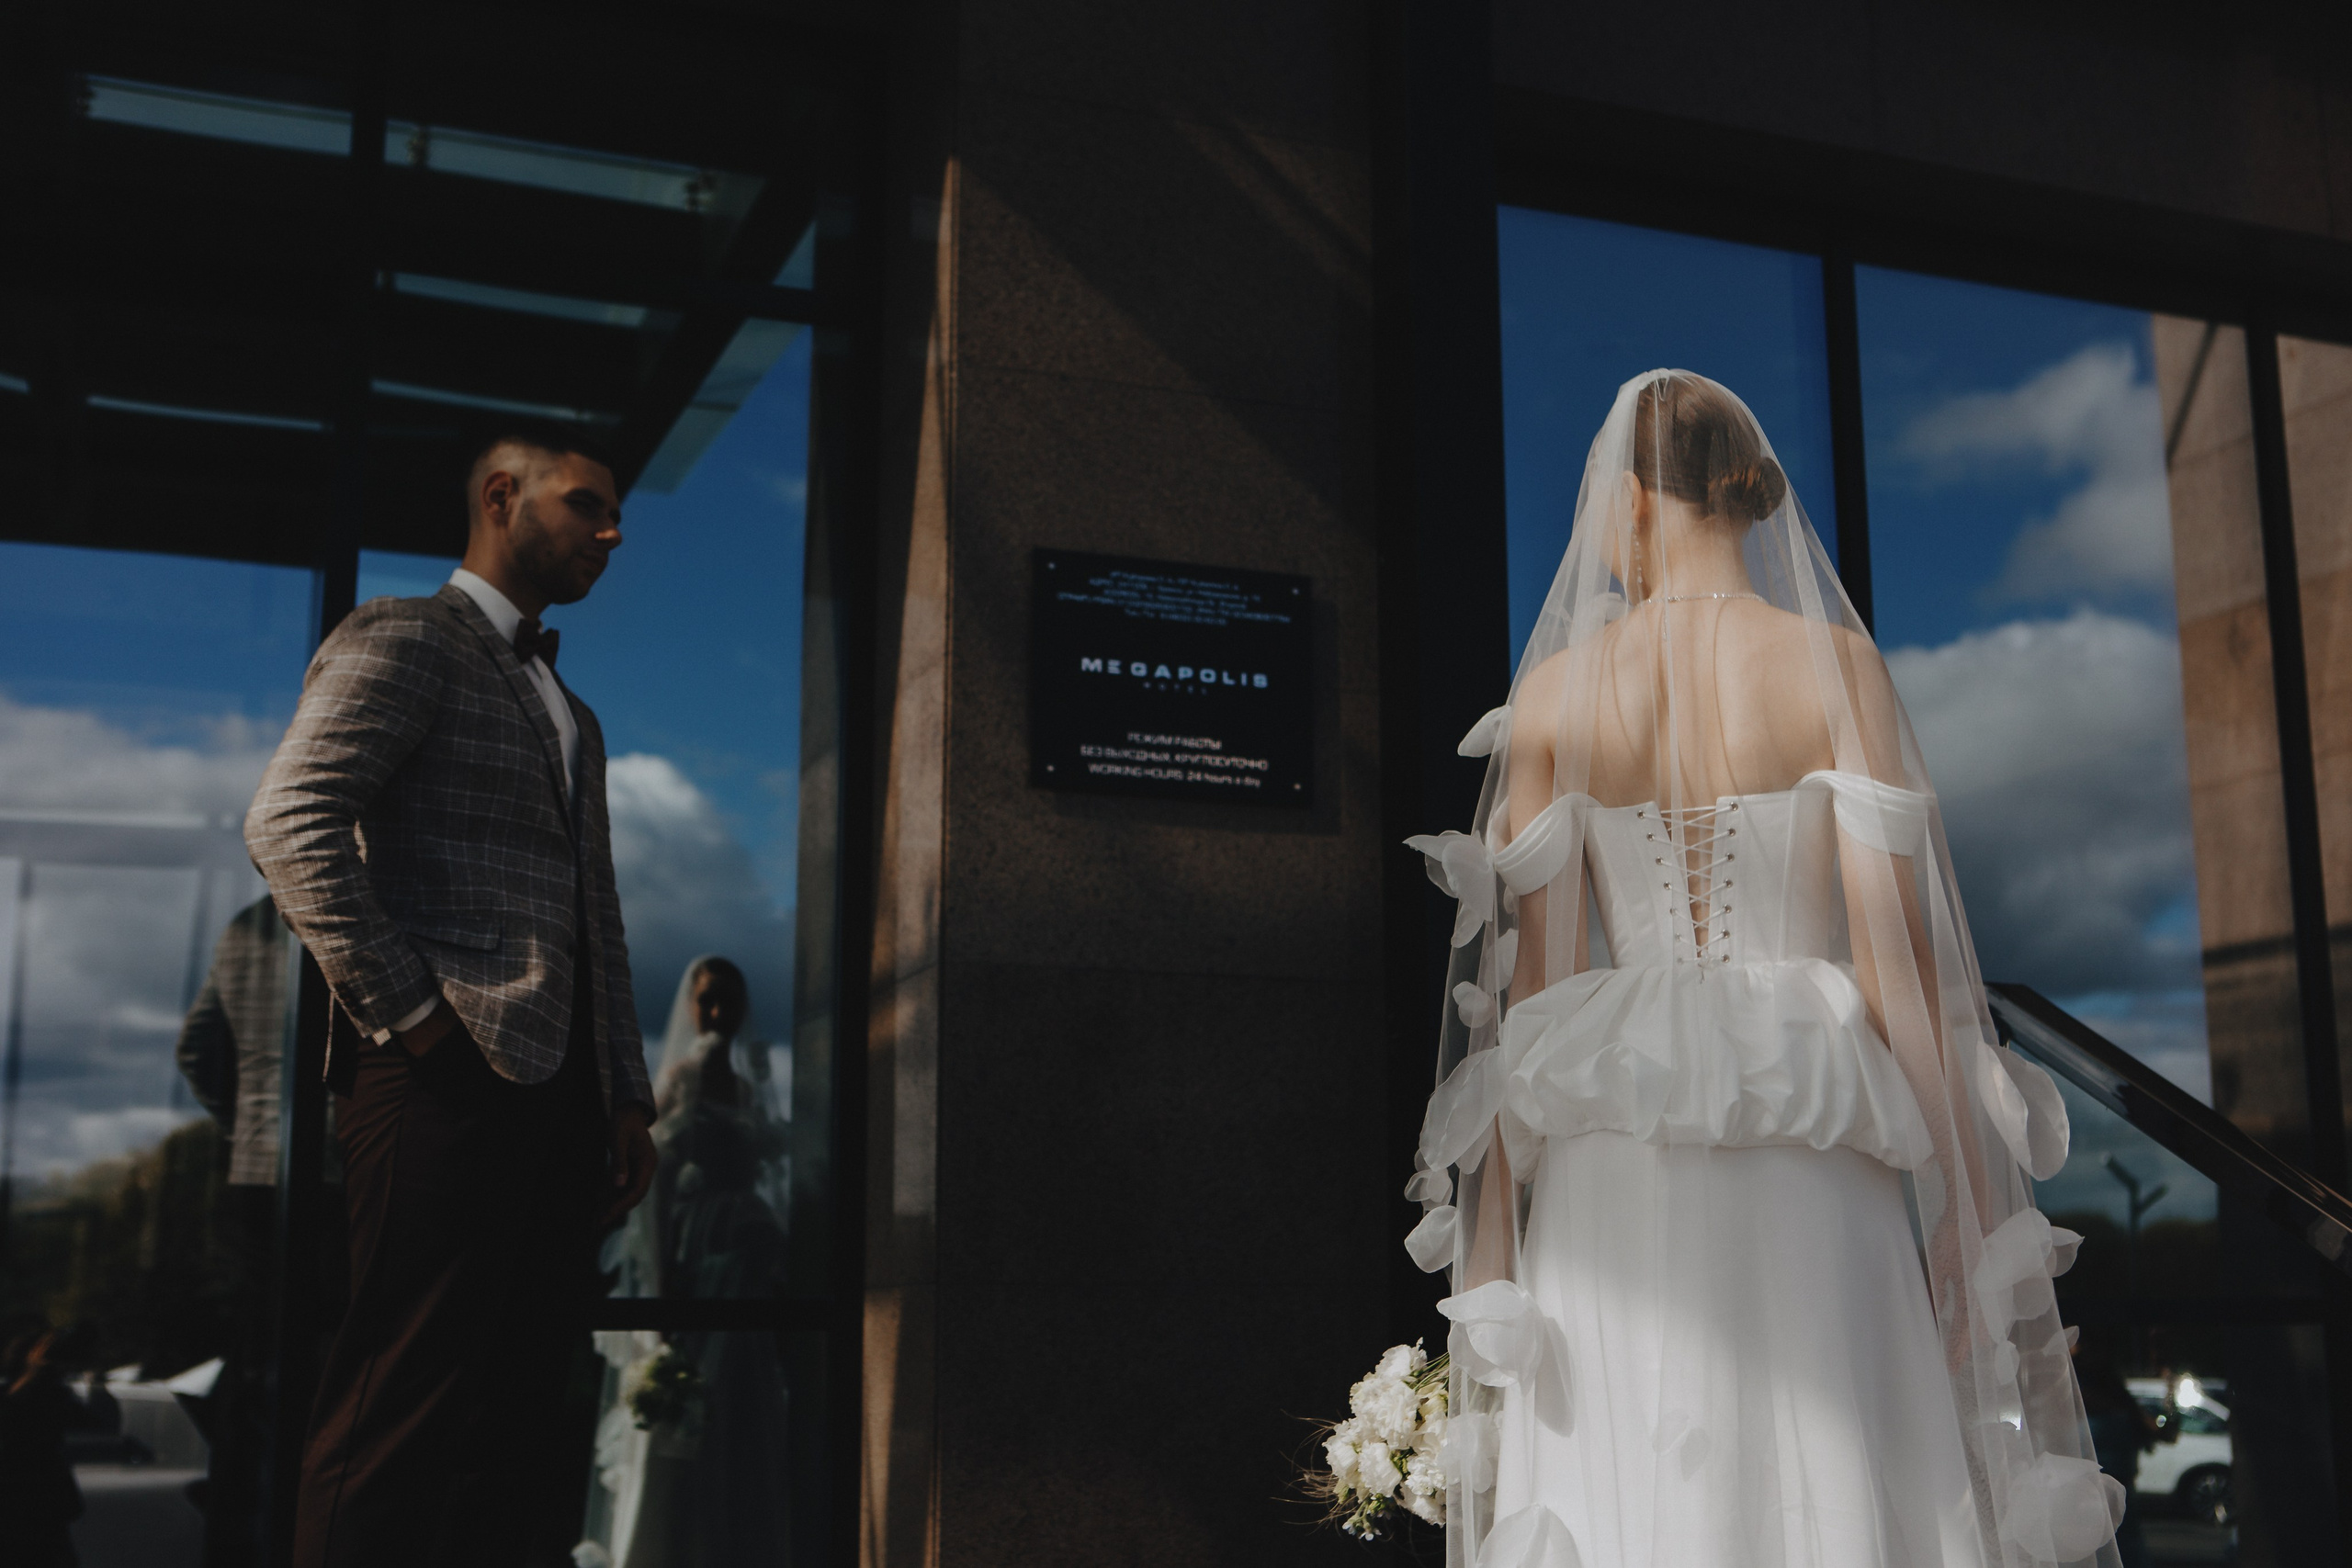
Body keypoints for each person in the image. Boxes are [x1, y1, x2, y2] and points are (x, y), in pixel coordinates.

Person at [1403, 372, 2124, 1567]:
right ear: (1744, 493)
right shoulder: (1833, 667)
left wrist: (1492, 1245)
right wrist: (1971, 1206)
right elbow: (1897, 957)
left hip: (1607, 1140)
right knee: (1837, 1453)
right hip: (1810, 1117)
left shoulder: (1556, 696)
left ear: (1633, 500)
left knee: (1621, 1460)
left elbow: (1537, 994)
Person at [245, 430, 659, 1568]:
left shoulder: (578, 715)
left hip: (561, 1105)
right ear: (499, 498)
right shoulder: (406, 636)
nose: (612, 532)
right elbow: (289, 823)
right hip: (437, 1079)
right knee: (398, 1410)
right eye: (587, 506)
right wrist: (419, 1022)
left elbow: (598, 918)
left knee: (520, 1422)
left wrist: (625, 1092)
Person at [580, 956, 791, 1568]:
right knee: (690, 1409)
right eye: (710, 1000)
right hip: (698, 1260)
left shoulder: (750, 1089)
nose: (720, 1013)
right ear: (694, 1006)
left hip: (746, 1271)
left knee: (741, 1407)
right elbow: (656, 1186)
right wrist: (665, 1287)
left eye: (731, 1001)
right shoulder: (679, 1080)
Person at [174, 892, 291, 1565]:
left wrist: (245, 1123)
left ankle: (235, 1504)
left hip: (253, 1170)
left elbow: (196, 1050)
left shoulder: (249, 920)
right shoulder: (374, 901)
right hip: (338, 1173)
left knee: (257, 1343)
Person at [0, 1316, 88, 1568]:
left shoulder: (53, 1398)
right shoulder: (12, 1399)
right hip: (16, 1520)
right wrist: (31, 1375)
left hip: (43, 1521)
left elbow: (82, 1420)